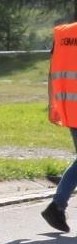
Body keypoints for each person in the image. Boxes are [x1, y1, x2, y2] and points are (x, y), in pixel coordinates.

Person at [40, 21, 77, 232]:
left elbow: (52, 70)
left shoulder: (64, 34)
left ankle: (58, 204)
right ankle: (56, 206)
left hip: (70, 107)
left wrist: (52, 103)